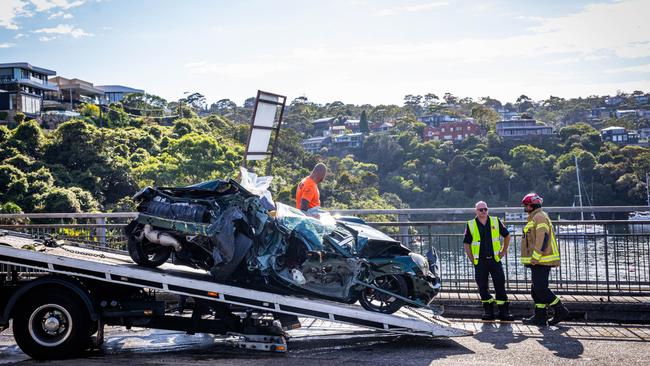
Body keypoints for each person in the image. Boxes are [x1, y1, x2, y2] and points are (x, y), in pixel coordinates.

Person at [520, 193, 570, 326]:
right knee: (536, 289)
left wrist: (535, 257)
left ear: (532, 205)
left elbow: (543, 238)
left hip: (541, 260)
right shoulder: (534, 217)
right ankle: (540, 316)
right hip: (538, 260)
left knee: (541, 288)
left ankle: (560, 309)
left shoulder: (540, 217)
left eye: (526, 204)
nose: (524, 207)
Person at [463, 201, 513, 321]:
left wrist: (503, 251)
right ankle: (488, 311)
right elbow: (466, 243)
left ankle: (504, 313)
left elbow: (507, 235)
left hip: (495, 259)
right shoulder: (471, 224)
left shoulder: (495, 221)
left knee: (500, 285)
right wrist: (471, 258)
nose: (484, 211)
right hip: (480, 261)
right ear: (476, 211)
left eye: (485, 209)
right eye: (481, 210)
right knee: (482, 287)